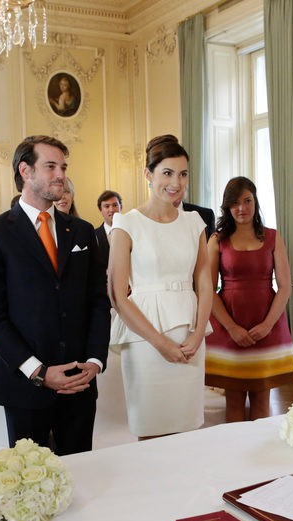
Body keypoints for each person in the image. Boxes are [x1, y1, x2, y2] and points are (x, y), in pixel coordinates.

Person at [0, 135, 110, 455]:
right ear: (26, 171)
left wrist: (94, 360)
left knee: (81, 477)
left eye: (63, 166)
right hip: (24, 385)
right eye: (50, 166)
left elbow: (98, 302)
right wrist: (39, 371)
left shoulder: (82, 231)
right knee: (30, 485)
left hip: (79, 381)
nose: (61, 174)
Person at [108, 135, 213, 438]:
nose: (176, 182)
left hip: (190, 333)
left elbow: (205, 285)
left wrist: (197, 333)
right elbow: (117, 295)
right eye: (167, 173)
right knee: (152, 427)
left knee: (188, 428)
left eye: (183, 174)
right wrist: (160, 342)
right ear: (148, 175)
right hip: (145, 337)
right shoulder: (126, 223)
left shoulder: (195, 223)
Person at [204, 177, 293, 422]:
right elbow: (208, 289)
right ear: (227, 207)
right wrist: (232, 328)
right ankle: (235, 457)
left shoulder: (273, 237)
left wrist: (267, 325)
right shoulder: (217, 240)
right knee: (233, 400)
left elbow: (285, 286)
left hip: (267, 324)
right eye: (235, 203)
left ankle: (260, 457)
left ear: (256, 202)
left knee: (261, 399)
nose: (242, 208)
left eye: (247, 201)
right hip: (229, 325)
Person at [94, 189, 122, 266]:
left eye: (115, 205)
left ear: (121, 207)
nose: (111, 210)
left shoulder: (132, 232)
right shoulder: (93, 236)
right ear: (100, 210)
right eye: (107, 206)